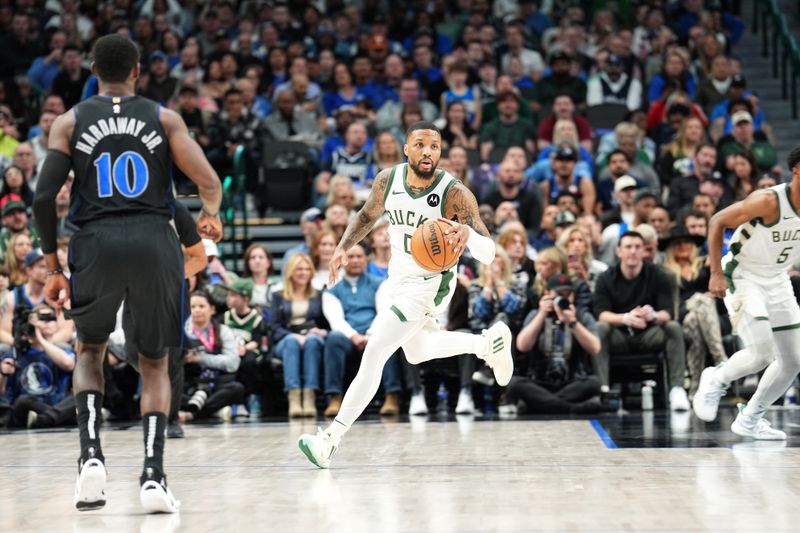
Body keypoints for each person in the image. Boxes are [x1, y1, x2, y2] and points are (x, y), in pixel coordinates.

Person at [32, 35, 222, 513]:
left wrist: (53, 267)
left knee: (90, 350)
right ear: (139, 70)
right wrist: (211, 214)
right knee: (154, 362)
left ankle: (90, 458)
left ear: (93, 69)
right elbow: (208, 182)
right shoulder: (165, 118)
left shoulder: (69, 121)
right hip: (155, 240)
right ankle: (153, 477)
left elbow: (41, 200)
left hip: (94, 240)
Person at [298, 121, 513, 468]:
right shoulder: (387, 180)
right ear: (407, 149)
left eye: (435, 146)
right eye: (421, 144)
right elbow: (367, 215)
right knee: (418, 352)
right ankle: (488, 345)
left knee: (376, 351)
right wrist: (342, 247)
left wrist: (466, 235)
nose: (428, 151)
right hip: (398, 278)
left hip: (431, 283)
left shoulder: (454, 192)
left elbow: (489, 252)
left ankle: (330, 440)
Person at [693, 146, 800, 440]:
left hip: (777, 278)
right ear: (796, 170)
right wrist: (715, 273)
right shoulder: (768, 201)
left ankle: (750, 419)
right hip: (742, 273)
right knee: (762, 351)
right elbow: (717, 221)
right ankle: (716, 378)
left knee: (793, 361)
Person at [593, 231, 690, 411]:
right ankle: (603, 389)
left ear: (644, 251)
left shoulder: (658, 275)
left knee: (673, 327)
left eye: (637, 247)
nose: (633, 251)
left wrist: (653, 315)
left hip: (648, 333)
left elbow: (668, 313)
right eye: (628, 247)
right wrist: (626, 318)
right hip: (619, 336)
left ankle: (677, 389)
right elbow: (601, 314)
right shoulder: (606, 278)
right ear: (618, 251)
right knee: (600, 328)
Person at [509, 274, 604, 414]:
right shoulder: (536, 314)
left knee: (594, 383)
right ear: (547, 294)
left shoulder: (582, 316)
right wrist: (541, 314)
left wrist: (572, 323)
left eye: (568, 294)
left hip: (572, 383)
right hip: (540, 382)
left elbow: (595, 348)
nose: (563, 299)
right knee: (514, 384)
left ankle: (539, 405)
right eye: (559, 294)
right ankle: (571, 408)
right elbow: (522, 345)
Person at [269, 253, 327, 418]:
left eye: (307, 269)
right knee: (291, 343)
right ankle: (294, 397)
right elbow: (273, 326)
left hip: (311, 337)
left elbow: (325, 323)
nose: (303, 272)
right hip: (286, 339)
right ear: (290, 271)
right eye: (299, 269)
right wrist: (293, 335)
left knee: (313, 341)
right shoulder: (278, 296)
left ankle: (309, 396)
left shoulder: (318, 295)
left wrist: (321, 331)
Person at [1, 303, 76, 428]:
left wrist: (41, 340)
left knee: (79, 397)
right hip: (26, 407)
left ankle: (43, 420)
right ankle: (62, 417)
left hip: (55, 403)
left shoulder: (63, 349)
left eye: (50, 319)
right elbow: (1, 392)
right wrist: (3, 373)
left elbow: (68, 364)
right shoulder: (15, 352)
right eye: (42, 319)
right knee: (23, 401)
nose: (47, 323)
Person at [181, 291, 243, 422]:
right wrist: (184, 359)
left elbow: (233, 363)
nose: (197, 310)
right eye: (192, 307)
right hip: (191, 383)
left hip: (216, 383)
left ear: (212, 309)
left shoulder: (223, 331)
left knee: (236, 389)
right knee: (169, 392)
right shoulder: (183, 332)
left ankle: (192, 414)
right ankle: (213, 411)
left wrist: (201, 358)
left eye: (201, 306)